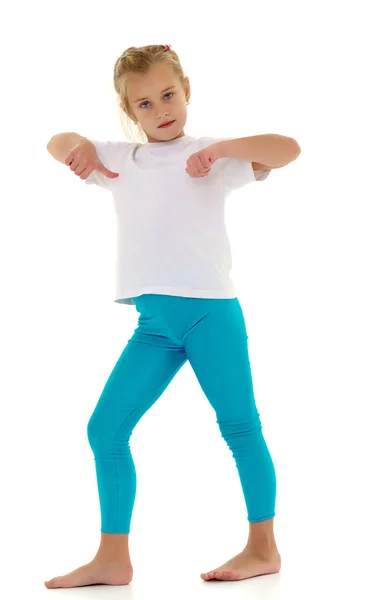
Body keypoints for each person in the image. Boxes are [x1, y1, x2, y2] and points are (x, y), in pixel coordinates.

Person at [45, 43, 300, 588]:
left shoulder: (213, 155)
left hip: (211, 317)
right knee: (105, 429)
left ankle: (264, 548)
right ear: (127, 111)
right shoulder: (118, 159)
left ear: (187, 92)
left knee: (239, 427)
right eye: (144, 104)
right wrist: (79, 148)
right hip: (154, 328)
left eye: (168, 95)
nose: (160, 110)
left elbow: (288, 148)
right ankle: (113, 557)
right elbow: (56, 141)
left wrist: (225, 149)